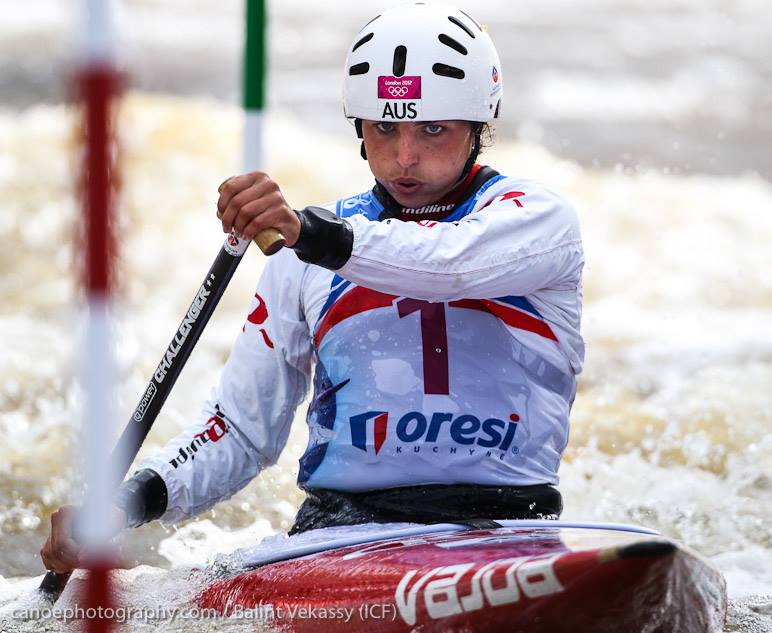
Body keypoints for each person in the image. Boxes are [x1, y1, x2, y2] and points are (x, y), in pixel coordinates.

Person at [41, 2, 584, 574]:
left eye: (433, 129)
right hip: (337, 537)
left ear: (479, 126)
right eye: (383, 128)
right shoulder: (300, 256)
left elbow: (446, 265)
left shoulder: (537, 221)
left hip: (506, 531)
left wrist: (308, 232)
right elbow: (240, 432)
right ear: (359, 129)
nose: (405, 156)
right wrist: (128, 503)